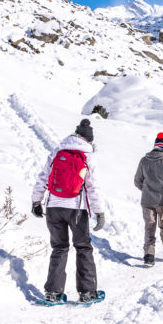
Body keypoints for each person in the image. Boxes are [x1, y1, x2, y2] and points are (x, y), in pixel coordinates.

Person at [31, 118, 105, 303]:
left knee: (59, 248)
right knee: (83, 248)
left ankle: (53, 293)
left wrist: (36, 201)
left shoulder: (57, 152)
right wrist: (99, 212)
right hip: (76, 209)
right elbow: (93, 187)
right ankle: (87, 292)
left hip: (54, 207)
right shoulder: (88, 157)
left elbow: (43, 178)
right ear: (88, 140)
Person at [134, 132, 163, 266]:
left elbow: (137, 181)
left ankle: (149, 257)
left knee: (149, 228)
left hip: (147, 202)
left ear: (155, 146)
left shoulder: (144, 160)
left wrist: (147, 190)